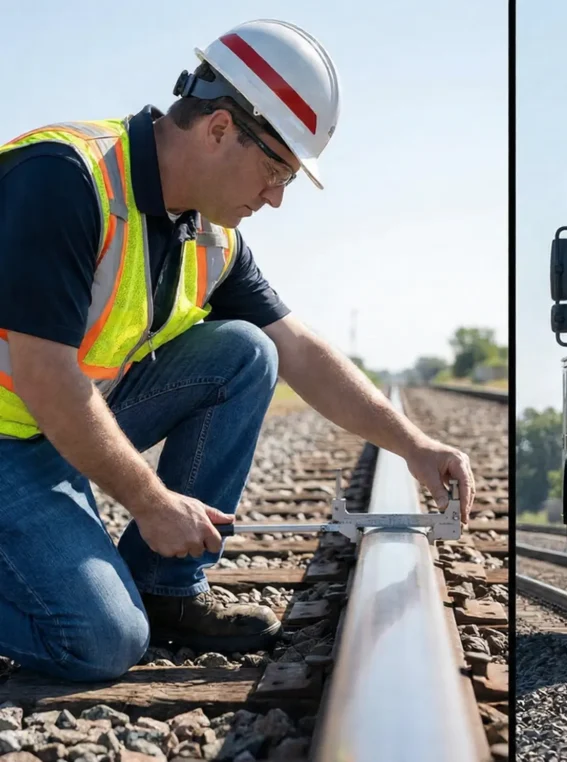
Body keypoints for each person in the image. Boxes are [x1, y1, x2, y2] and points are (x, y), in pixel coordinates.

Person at [0, 19, 476, 683]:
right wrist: (151, 501)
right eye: (276, 168)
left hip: (49, 428)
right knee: (101, 640)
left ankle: (167, 590)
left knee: (247, 352)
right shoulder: (67, 178)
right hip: (15, 433)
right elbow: (46, 375)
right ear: (220, 128)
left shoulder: (209, 238)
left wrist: (415, 446)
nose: (277, 197)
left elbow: (300, 352)